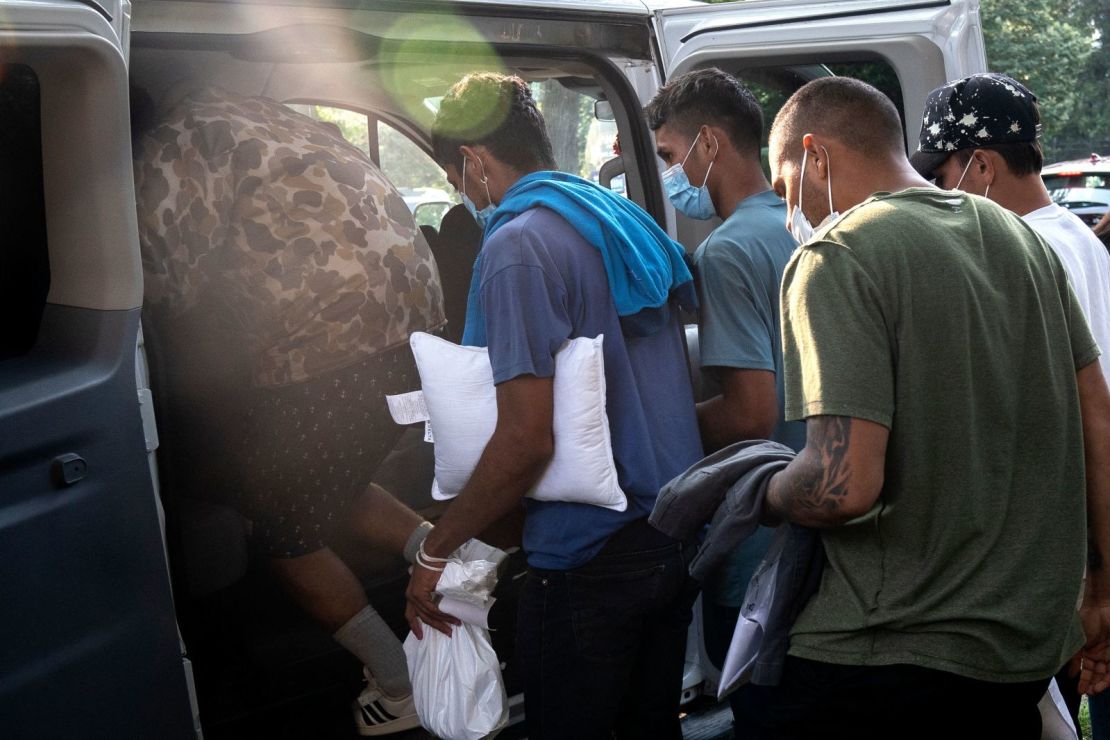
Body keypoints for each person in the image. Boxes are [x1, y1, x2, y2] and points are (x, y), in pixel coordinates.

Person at [754, 76, 1110, 739]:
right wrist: (1105, 588)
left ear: (815, 154)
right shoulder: (1019, 237)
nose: (790, 212)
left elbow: (843, 487)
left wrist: (763, 489)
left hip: (885, 649)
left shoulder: (835, 256)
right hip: (1023, 649)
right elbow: (1099, 419)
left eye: (784, 187)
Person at [133, 86, 445, 736]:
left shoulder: (175, 141)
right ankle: (456, 563)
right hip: (408, 337)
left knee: (282, 535)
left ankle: (400, 685)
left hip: (331, 350)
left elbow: (159, 280)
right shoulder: (274, 119)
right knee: (328, 483)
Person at [403, 72, 703, 740]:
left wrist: (436, 552)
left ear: (475, 162)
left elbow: (525, 441)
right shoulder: (616, 219)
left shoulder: (517, 247)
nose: (462, 194)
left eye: (457, 176)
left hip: (588, 560)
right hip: (669, 536)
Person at [644, 67, 803, 728]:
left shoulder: (729, 251)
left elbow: (748, 413)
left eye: (669, 156)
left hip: (760, 540)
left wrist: (654, 436)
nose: (672, 174)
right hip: (819, 530)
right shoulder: (803, 225)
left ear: (709, 143)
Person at [912, 72, 1110, 392]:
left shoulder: (1016, 251)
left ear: (981, 166)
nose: (941, 192)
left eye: (941, 178)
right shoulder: (1081, 235)